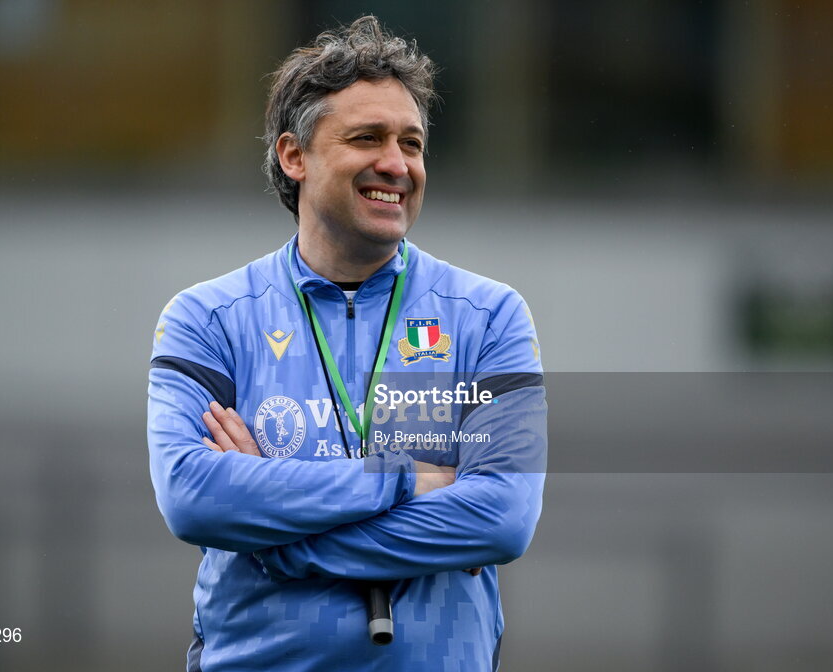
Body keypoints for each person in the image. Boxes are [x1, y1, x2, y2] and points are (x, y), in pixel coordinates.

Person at [147, 15, 546, 672]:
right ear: (293, 155)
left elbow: (502, 516)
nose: (397, 164)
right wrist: (399, 480)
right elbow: (194, 496)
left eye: (412, 144)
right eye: (367, 138)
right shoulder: (208, 318)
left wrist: (280, 535)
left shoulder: (489, 317)